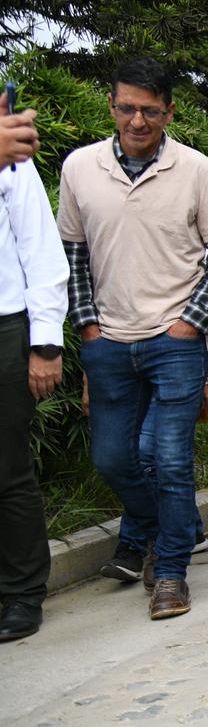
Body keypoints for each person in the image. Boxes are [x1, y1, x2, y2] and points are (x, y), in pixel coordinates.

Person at [59, 57, 208, 620]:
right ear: (111, 106)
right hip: (108, 339)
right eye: (127, 107)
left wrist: (191, 323)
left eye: (150, 110)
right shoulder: (80, 168)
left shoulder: (197, 169)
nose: (137, 120)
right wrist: (88, 326)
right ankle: (156, 528)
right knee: (112, 459)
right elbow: (74, 256)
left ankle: (172, 571)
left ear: (168, 112)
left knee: (171, 458)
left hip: (174, 339)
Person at [0, 91, 68, 641]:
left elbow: (38, 248)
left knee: (7, 470)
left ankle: (22, 592)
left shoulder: (14, 161)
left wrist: (45, 343)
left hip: (5, 323)